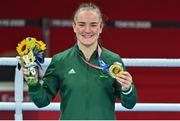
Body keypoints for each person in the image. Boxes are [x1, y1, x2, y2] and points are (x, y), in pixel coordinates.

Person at [21, 2, 137, 120]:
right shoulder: (60, 61)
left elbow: (129, 104)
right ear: (74, 27)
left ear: (100, 27)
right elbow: (42, 101)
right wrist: (33, 83)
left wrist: (127, 88)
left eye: (93, 25)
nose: (87, 30)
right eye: (82, 24)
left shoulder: (113, 60)